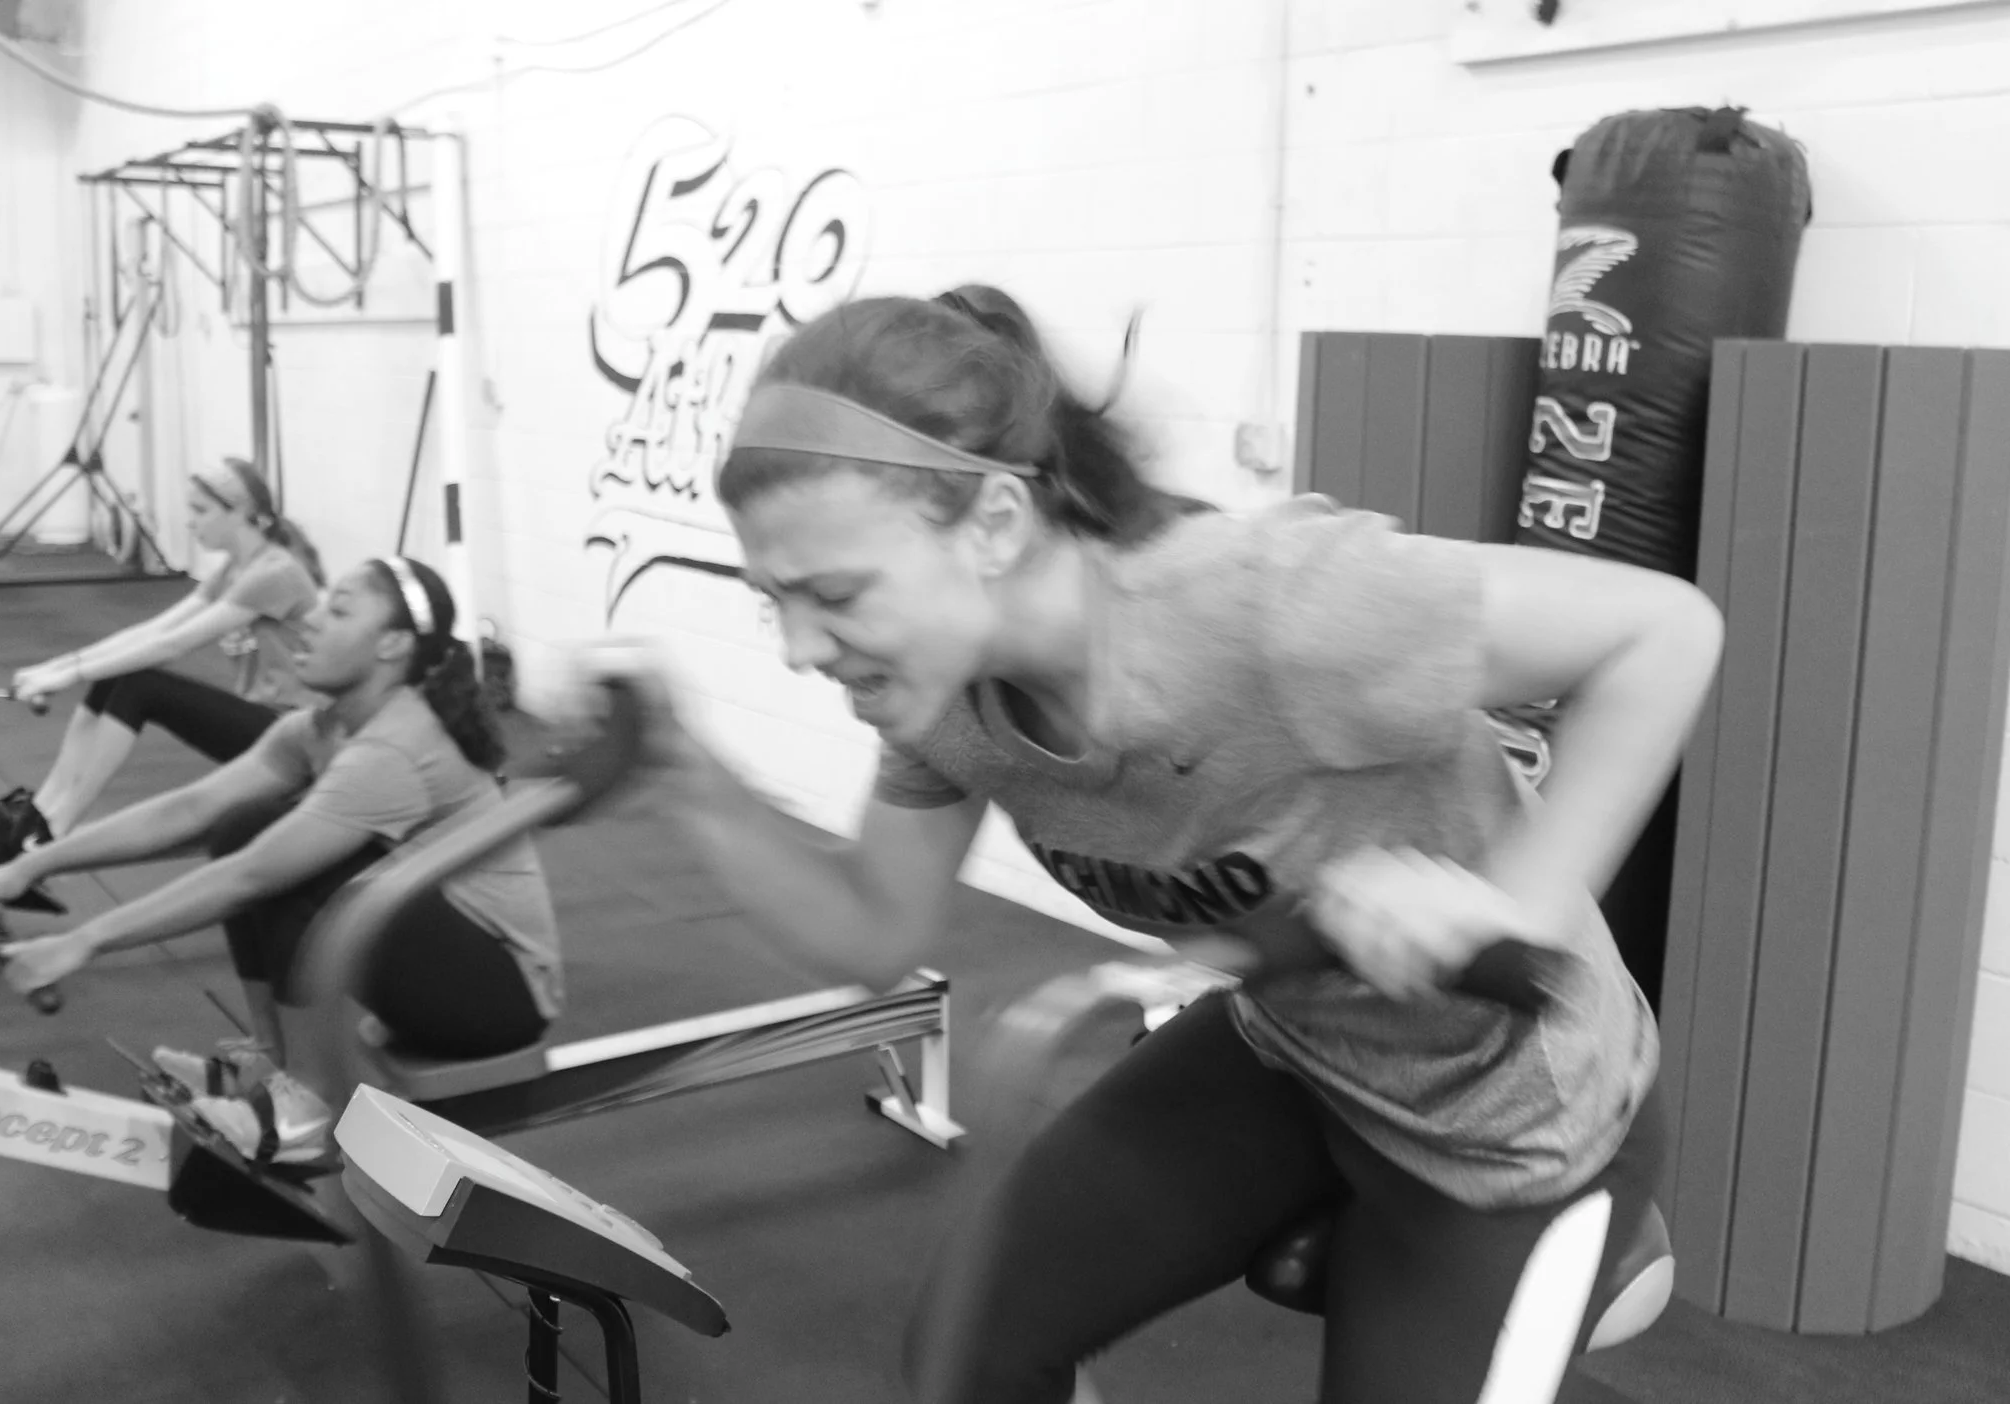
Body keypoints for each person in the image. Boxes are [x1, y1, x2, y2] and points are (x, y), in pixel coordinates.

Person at [606, 286, 1723, 1404]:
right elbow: (871, 931)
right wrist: (686, 774)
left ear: (995, 524)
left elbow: (1660, 631)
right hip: (1297, 1053)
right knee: (969, 1361)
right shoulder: (944, 702)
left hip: (1505, 1121)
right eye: (774, 603)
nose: (801, 647)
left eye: (834, 595)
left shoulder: (1261, 610)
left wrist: (1514, 906)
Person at [0, 557, 558, 1163]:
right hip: (438, 962)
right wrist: (33, 865)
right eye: (322, 604)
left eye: (340, 611)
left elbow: (250, 878)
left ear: (393, 645)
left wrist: (84, 940)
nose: (313, 622)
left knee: (291, 864)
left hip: (498, 997)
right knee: (243, 824)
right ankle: (278, 1067)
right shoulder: (320, 728)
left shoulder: (394, 747)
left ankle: (308, 1109)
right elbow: (191, 809)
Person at [0, 456, 326, 853]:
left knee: (141, 683)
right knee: (118, 675)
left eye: (200, 511)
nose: (190, 521)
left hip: (296, 736)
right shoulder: (235, 569)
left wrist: (67, 677)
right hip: (267, 724)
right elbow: (154, 629)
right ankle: (40, 813)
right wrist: (57, 666)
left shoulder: (273, 573)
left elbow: (174, 645)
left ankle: (53, 834)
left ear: (240, 514)